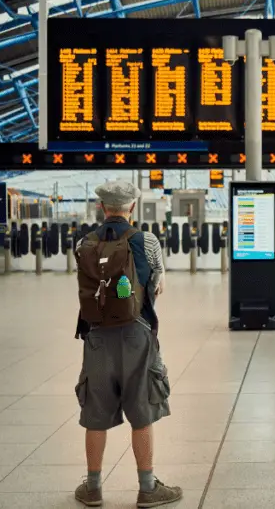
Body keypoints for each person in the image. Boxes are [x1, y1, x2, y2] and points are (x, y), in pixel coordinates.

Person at [72, 180, 178, 508]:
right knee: (142, 409)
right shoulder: (146, 241)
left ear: (102, 208)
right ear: (131, 207)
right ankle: (147, 488)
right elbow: (157, 284)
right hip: (137, 333)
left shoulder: (83, 243)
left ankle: (92, 488)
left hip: (96, 336)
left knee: (96, 412)